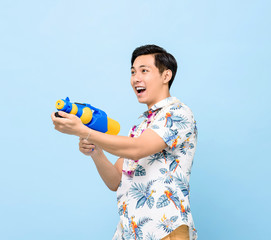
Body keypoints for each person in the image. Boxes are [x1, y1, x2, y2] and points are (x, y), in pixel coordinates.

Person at [51, 44, 198, 240]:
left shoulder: (178, 114)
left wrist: (86, 132)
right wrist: (96, 152)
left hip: (165, 231)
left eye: (144, 71)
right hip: (131, 231)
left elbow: (138, 149)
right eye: (133, 72)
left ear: (166, 76)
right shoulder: (140, 128)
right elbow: (115, 180)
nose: (136, 78)